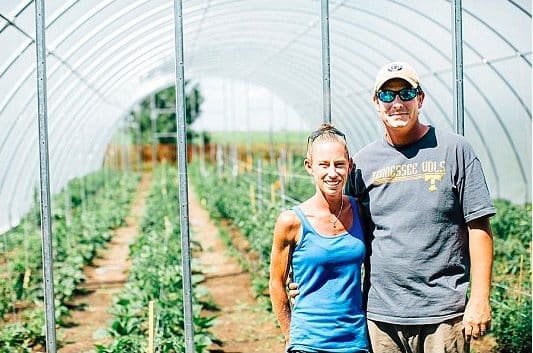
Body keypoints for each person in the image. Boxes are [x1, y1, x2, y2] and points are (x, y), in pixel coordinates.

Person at [290, 62, 495, 353]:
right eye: (387, 95)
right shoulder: (362, 164)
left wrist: (480, 298)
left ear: (420, 99)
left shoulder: (455, 150)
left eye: (405, 93)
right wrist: (312, 281)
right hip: (380, 318)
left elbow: (479, 226)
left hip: (443, 315)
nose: (396, 102)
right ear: (376, 102)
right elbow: (342, 229)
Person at [269, 123, 370, 353]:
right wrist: (290, 334)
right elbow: (276, 283)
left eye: (339, 164)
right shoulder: (291, 222)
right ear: (309, 167)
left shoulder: (360, 211)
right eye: (323, 165)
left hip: (355, 341)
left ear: (350, 166)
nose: (332, 173)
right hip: (309, 342)